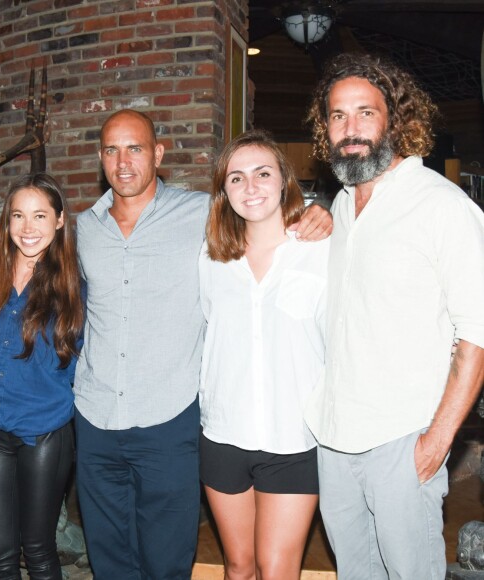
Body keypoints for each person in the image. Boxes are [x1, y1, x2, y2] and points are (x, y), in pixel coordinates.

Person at [73, 108, 333, 579]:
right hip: (95, 415)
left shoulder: (202, 216)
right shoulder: (82, 228)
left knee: (170, 559)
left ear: (158, 153)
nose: (123, 160)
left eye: (135, 147)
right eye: (111, 149)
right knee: (109, 558)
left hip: (170, 417)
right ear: (100, 158)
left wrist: (321, 212)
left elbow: (265, 215)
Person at [303, 53, 484, 579]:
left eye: (365, 112)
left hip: (404, 440)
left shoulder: (441, 206)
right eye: (338, 116)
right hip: (334, 438)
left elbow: (478, 333)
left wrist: (438, 440)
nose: (350, 128)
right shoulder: (338, 207)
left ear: (396, 120)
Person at [199, 129, 328, 579]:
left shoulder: (321, 252)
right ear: (223, 190)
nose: (250, 187)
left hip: (293, 437)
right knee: (238, 565)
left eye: (262, 173)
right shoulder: (210, 258)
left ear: (283, 181)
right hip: (224, 434)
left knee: (276, 570)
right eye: (236, 178)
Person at [0, 173, 84, 580]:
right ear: (6, 222)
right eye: (18, 216)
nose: (28, 228)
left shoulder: (75, 286)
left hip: (44, 432)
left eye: (39, 216)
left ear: (60, 220)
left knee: (38, 548)